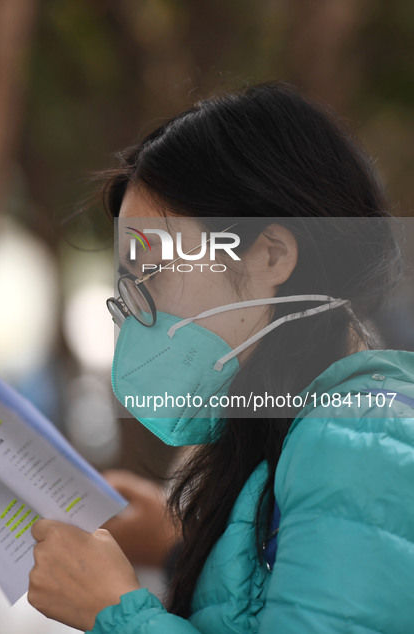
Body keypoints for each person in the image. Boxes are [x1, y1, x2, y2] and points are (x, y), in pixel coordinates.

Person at [26, 82, 414, 633]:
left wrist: (115, 613)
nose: (137, 316)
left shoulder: (357, 444)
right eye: (129, 284)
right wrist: (179, 543)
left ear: (272, 255)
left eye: (155, 272)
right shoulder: (296, 432)